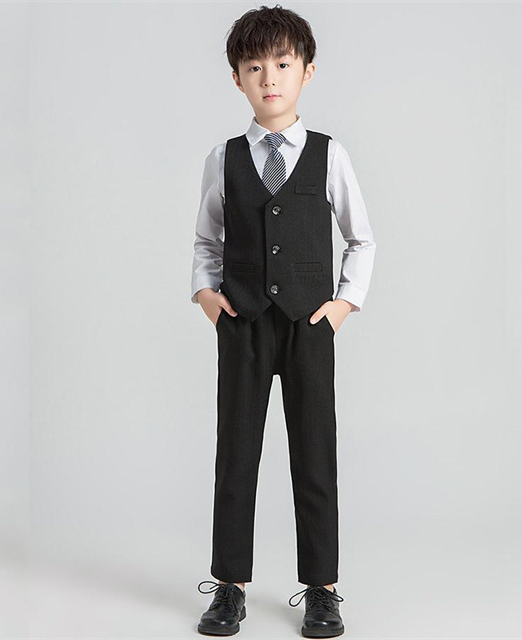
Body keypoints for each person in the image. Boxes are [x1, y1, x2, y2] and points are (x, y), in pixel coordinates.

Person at [190, 4, 376, 637]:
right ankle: (229, 585)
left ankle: (322, 588)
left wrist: (342, 305)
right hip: (242, 323)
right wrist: (207, 296)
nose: (268, 77)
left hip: (308, 326)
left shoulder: (329, 155)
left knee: (314, 454)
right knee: (235, 456)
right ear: (237, 78)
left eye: (282, 63)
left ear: (307, 71)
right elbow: (206, 239)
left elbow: (361, 238)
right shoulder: (224, 158)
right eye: (254, 67)